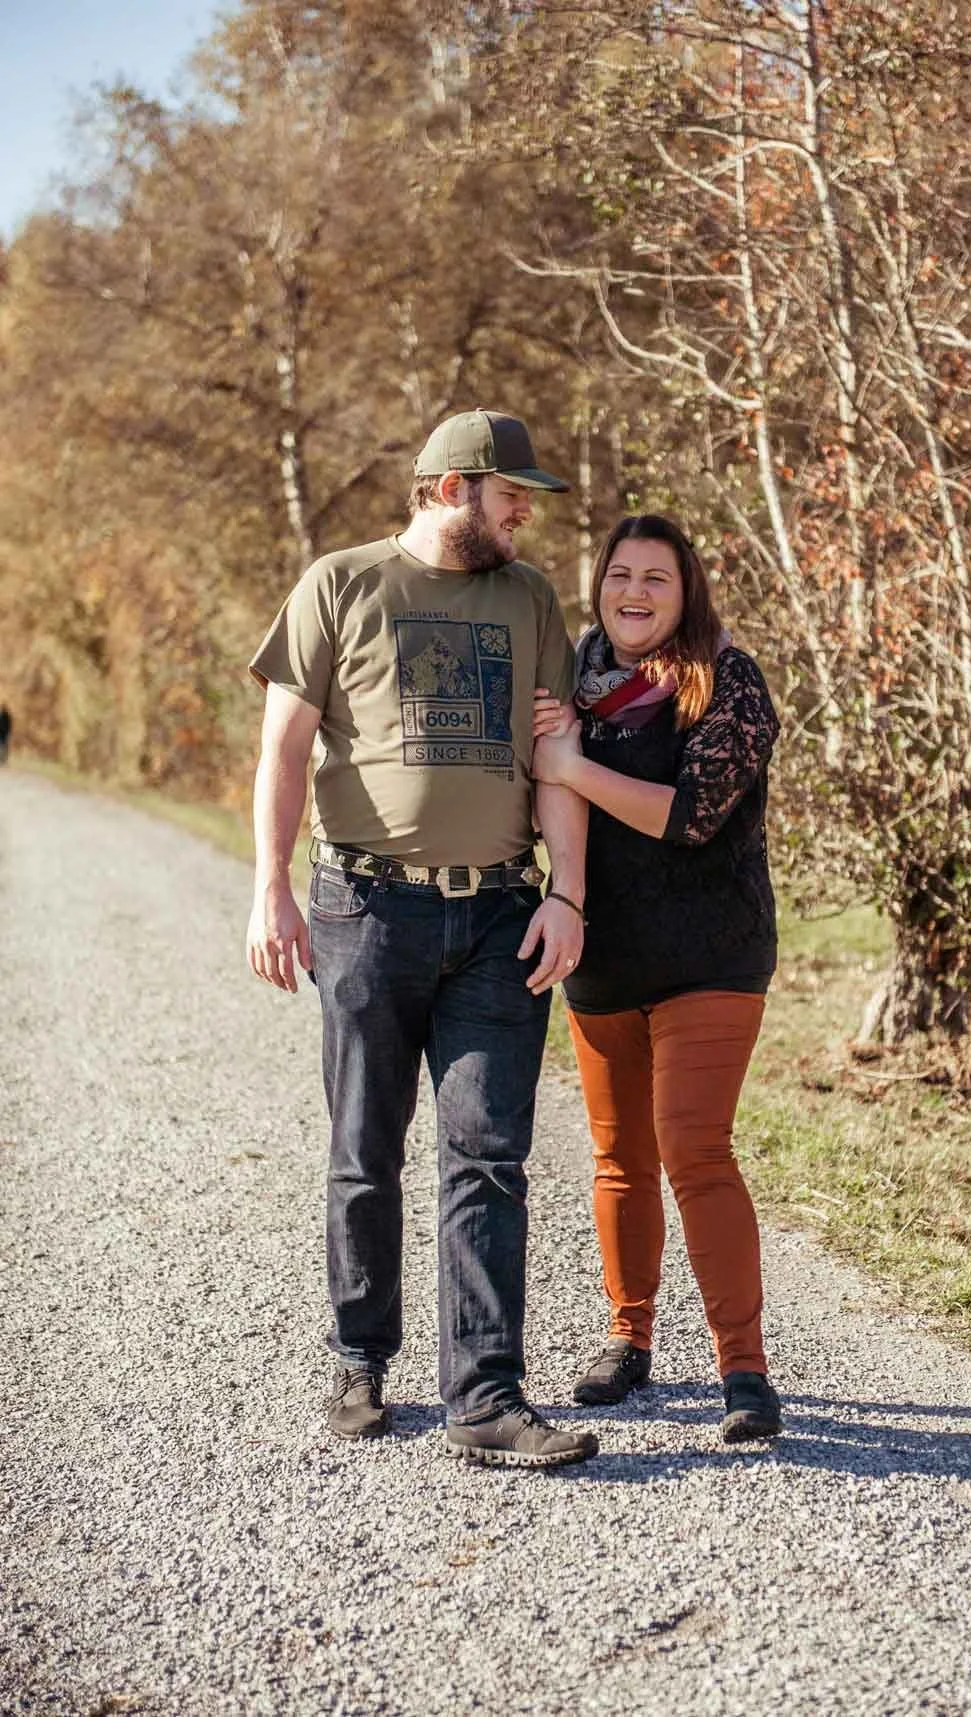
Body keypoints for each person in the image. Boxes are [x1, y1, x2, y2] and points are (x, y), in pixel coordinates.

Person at [246, 409, 597, 1470]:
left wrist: (567, 895)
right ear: (450, 488)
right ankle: (360, 1357)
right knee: (365, 1148)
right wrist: (268, 885)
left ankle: (486, 1394)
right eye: (510, 493)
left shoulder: (530, 597)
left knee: (489, 1154)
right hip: (364, 906)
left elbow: (558, 754)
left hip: (499, 911)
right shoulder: (338, 584)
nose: (525, 510)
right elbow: (283, 746)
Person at [532, 513, 783, 1442]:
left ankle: (745, 1369)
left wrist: (571, 766)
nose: (634, 593)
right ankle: (628, 1338)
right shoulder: (572, 679)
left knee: (693, 1147)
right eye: (620, 574)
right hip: (603, 957)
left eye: (657, 579)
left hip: (712, 954)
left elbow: (693, 813)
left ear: (688, 592)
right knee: (619, 1158)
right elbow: (535, 785)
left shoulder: (729, 679)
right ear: (598, 583)